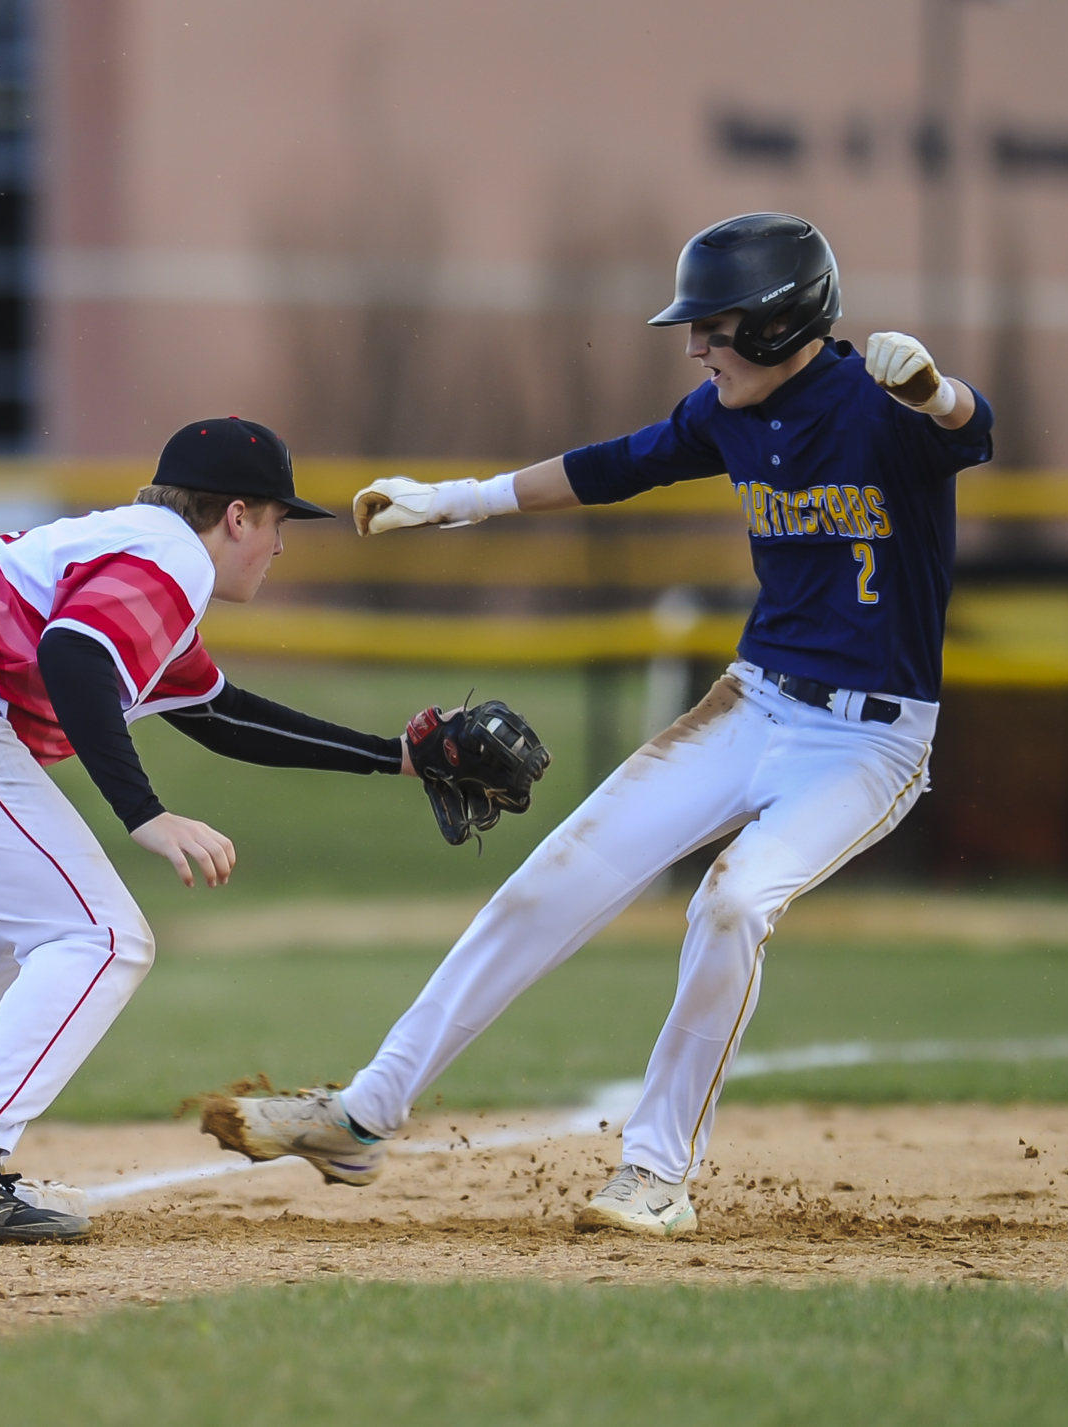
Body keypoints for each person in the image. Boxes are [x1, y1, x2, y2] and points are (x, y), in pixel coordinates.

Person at [201, 213, 995, 1238]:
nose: (697, 346)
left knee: (734, 902)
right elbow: (609, 466)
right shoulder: (728, 411)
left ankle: (658, 1171)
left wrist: (930, 388)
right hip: (752, 703)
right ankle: (361, 1114)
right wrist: (453, 501)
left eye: (713, 325)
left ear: (775, 323)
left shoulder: (881, 407)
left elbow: (971, 429)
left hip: (871, 740)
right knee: (554, 879)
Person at [0, 418, 442, 1243]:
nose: (278, 547)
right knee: (103, 936)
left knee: (16, 913)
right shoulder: (171, 557)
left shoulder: (133, 552)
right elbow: (75, 655)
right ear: (236, 515)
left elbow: (220, 714)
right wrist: (144, 811)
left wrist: (397, 760)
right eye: (277, 522)